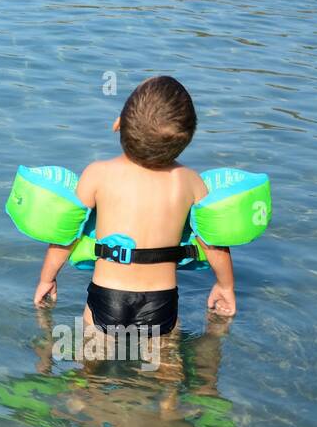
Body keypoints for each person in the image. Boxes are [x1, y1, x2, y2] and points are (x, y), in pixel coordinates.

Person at [33, 77, 236, 335]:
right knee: (166, 369)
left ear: (118, 124)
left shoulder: (97, 174)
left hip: (107, 293)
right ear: (186, 140)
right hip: (161, 299)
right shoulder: (190, 181)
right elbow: (213, 242)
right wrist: (225, 286)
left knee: (91, 369)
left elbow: (66, 235)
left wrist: (47, 279)